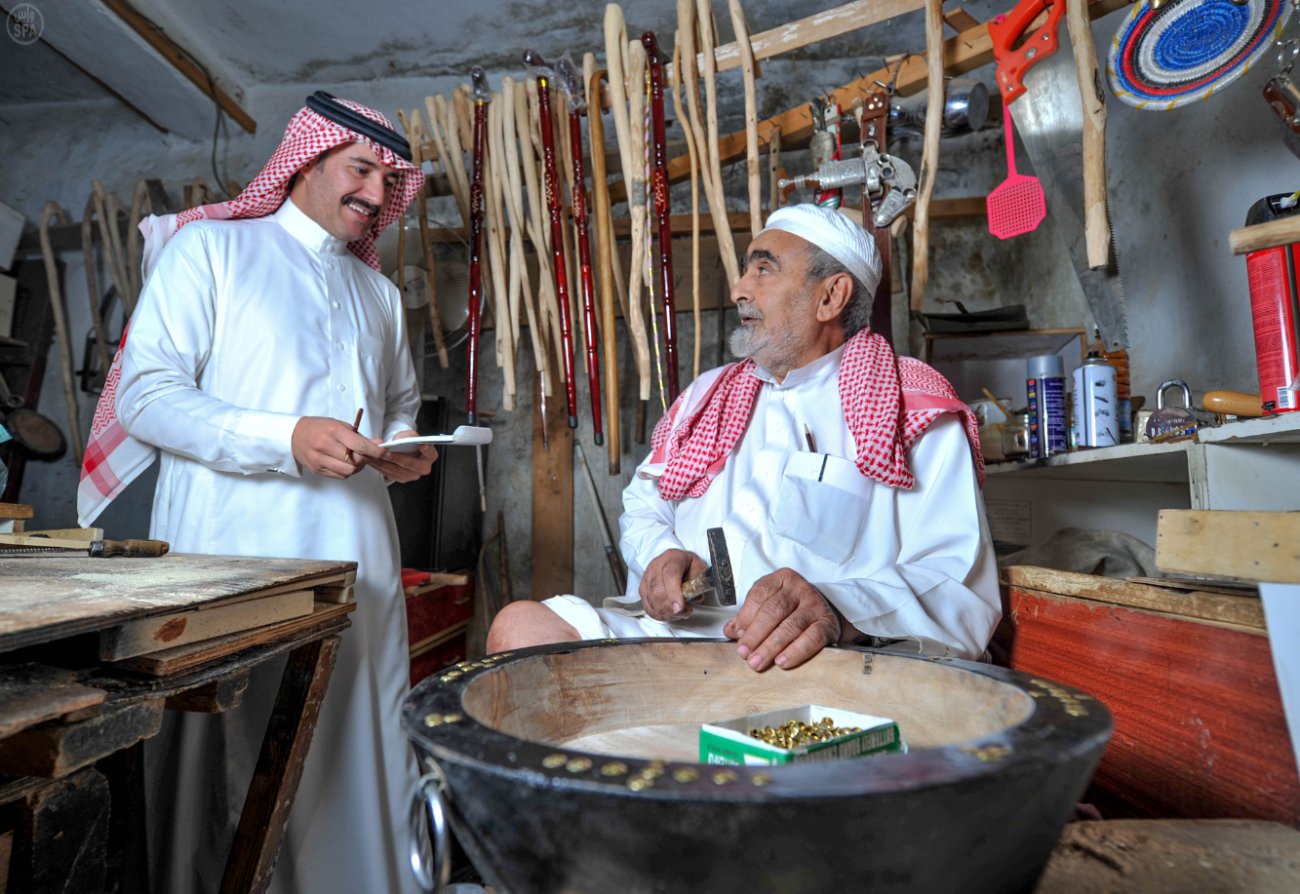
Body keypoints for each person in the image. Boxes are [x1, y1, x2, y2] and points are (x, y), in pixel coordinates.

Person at [77, 93, 436, 894]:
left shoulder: (379, 295)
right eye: (362, 169)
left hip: (358, 554)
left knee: (352, 737)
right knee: (235, 748)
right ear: (307, 158)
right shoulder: (210, 250)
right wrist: (285, 438)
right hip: (236, 551)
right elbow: (146, 398)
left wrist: (403, 447)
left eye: (390, 179)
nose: (377, 195)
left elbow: (399, 403)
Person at [488, 203, 1000, 669]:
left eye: (763, 269)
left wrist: (839, 610)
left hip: (815, 657)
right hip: (681, 639)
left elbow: (958, 586)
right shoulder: (708, 396)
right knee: (519, 629)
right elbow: (646, 505)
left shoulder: (909, 401)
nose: (738, 288)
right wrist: (660, 556)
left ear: (831, 295)